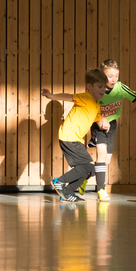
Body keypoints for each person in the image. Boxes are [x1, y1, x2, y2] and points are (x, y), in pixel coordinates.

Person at [41, 69, 107, 202]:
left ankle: (67, 192)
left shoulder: (96, 104)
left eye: (104, 87)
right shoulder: (86, 97)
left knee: (89, 171)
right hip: (69, 137)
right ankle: (59, 181)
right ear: (89, 87)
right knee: (88, 167)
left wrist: (104, 123)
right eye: (100, 86)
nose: (103, 89)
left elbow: (98, 120)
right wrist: (52, 96)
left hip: (76, 139)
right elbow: (69, 96)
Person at [79, 59, 136, 202]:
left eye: (116, 76)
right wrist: (100, 119)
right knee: (100, 153)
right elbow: (87, 106)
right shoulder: (96, 90)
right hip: (97, 124)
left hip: (111, 125)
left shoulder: (120, 88)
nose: (113, 79)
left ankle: (83, 177)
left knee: (105, 160)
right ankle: (101, 189)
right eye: (109, 76)